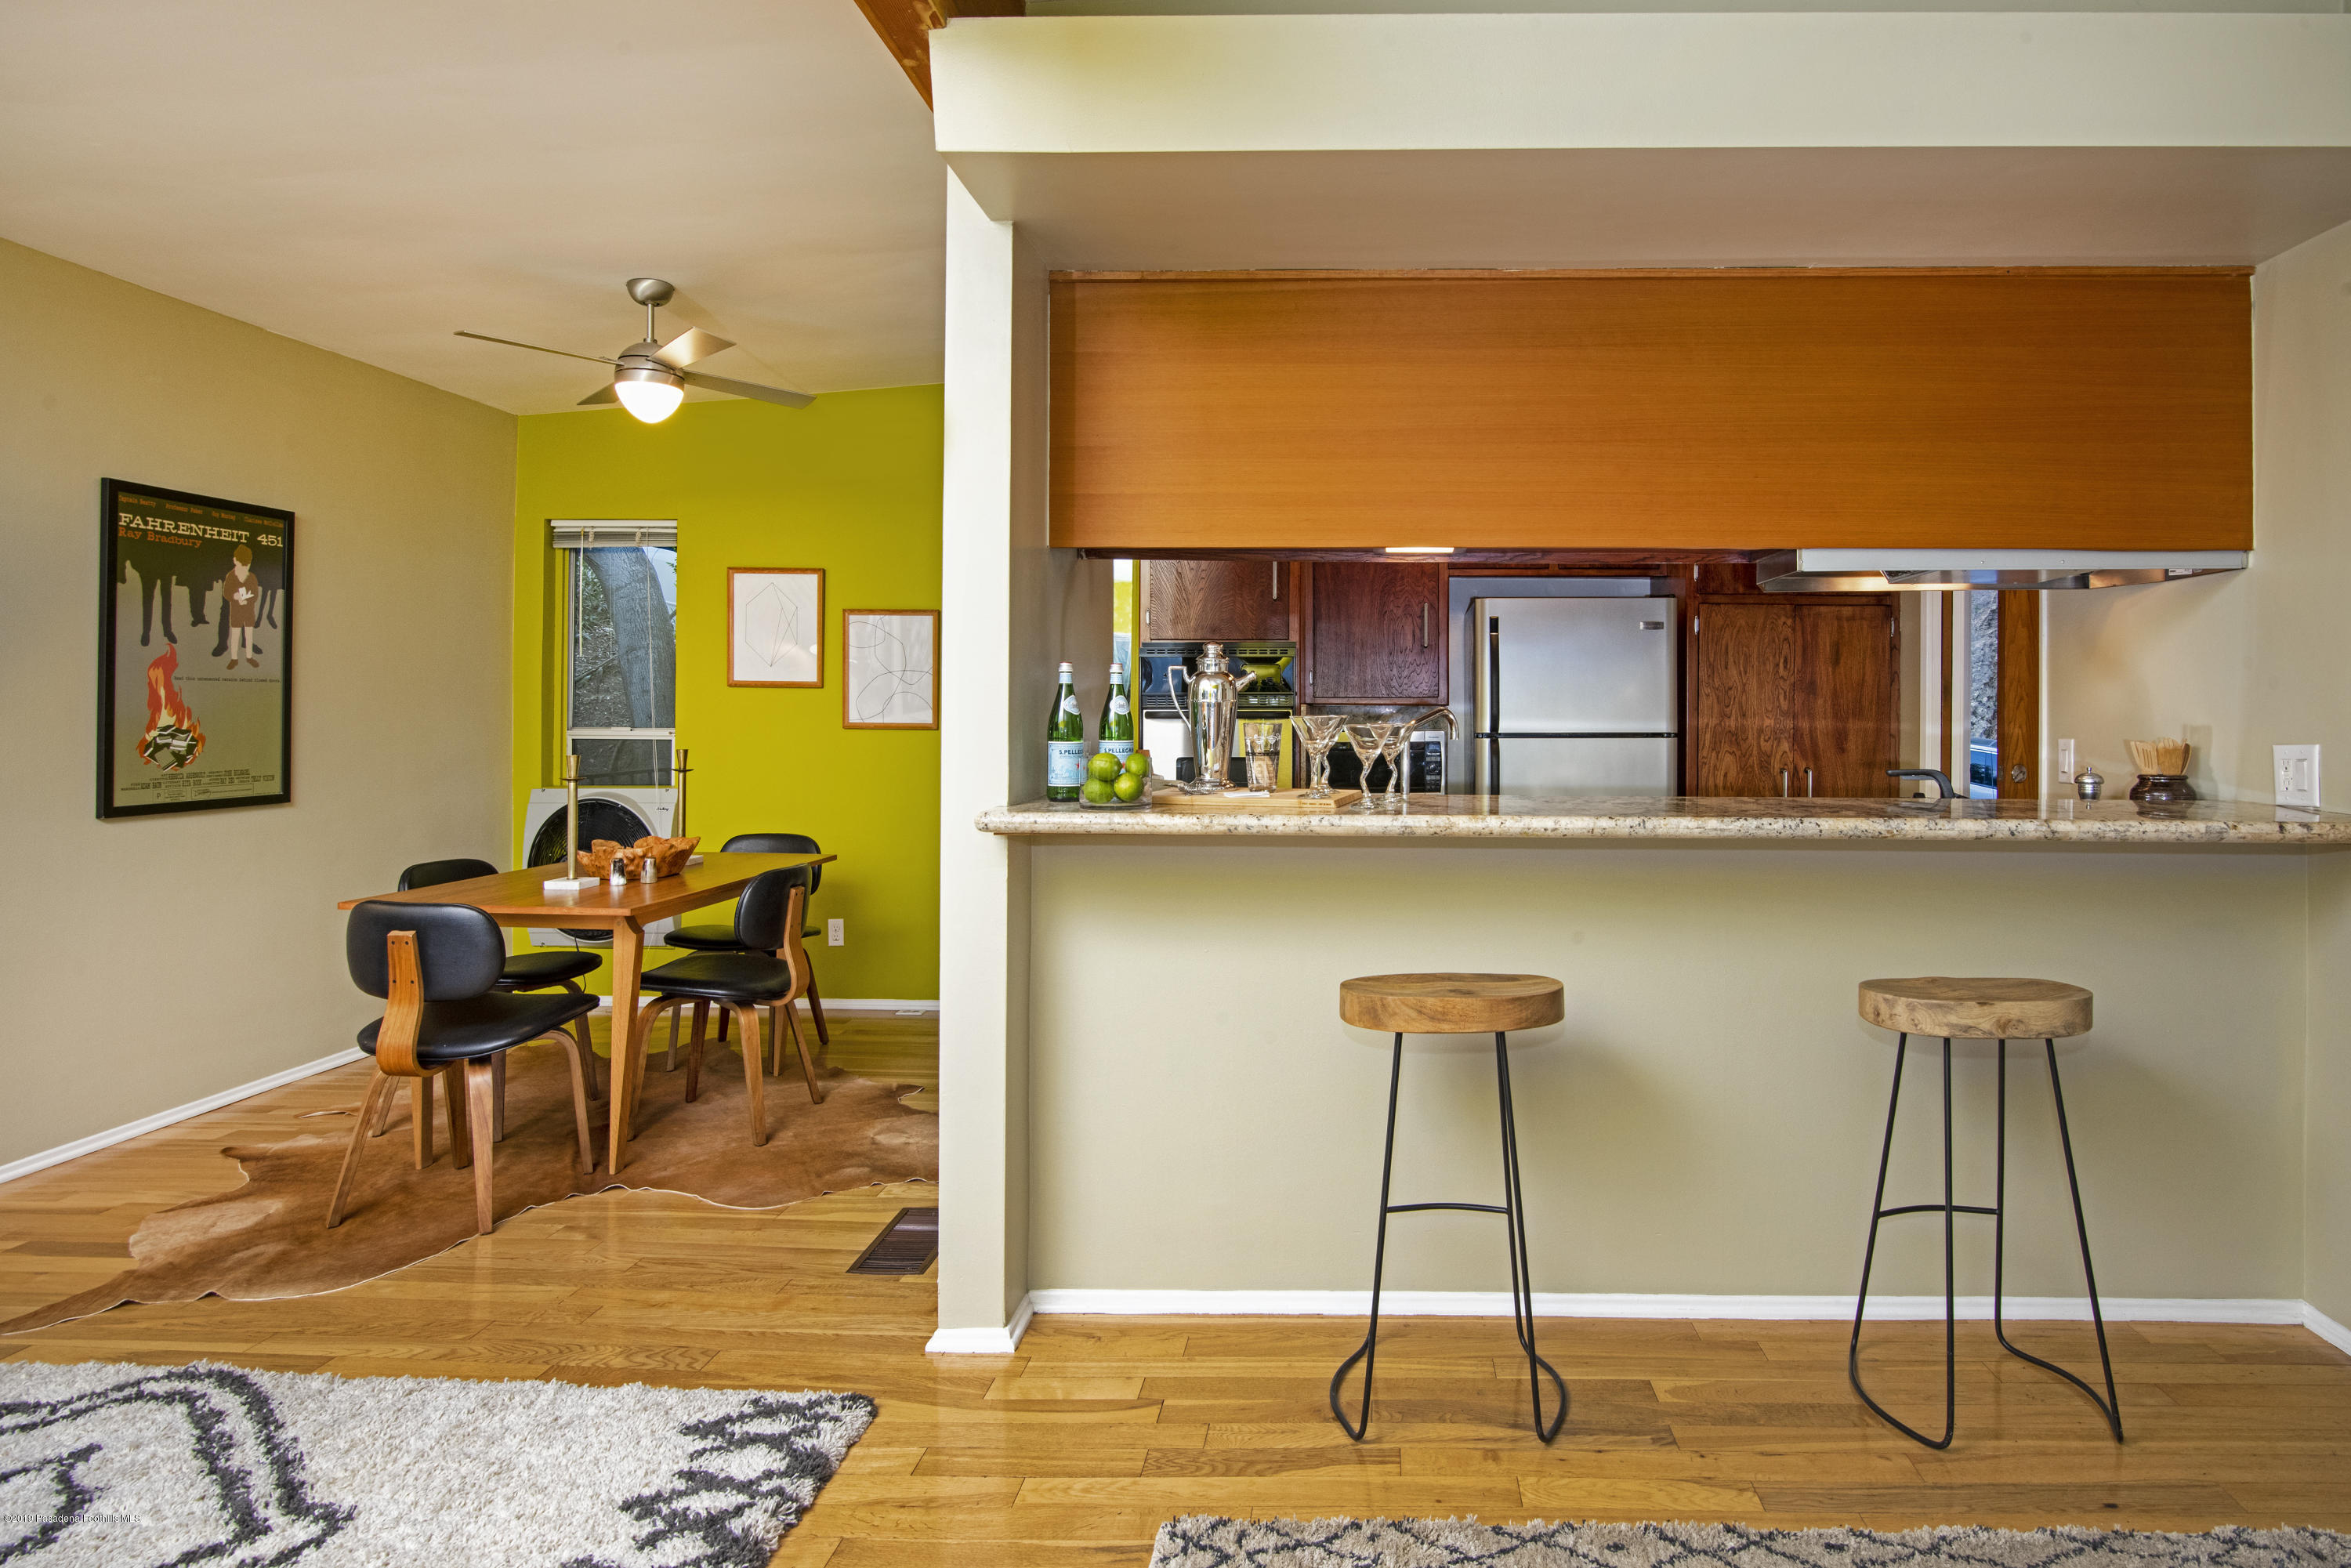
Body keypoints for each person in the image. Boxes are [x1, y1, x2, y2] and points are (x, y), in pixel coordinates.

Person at [221, 545, 262, 668]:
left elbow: (255, 595)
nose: (245, 568)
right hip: (236, 612)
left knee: (249, 635)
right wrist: (235, 596)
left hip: (249, 612)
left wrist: (247, 600)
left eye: (247, 565)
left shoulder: (252, 577)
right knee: (235, 634)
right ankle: (234, 658)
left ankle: (249, 657)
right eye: (242, 564)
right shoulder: (231, 576)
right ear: (235, 561)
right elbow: (226, 592)